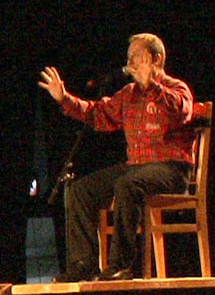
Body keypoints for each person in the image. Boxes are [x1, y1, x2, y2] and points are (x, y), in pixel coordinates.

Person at [39, 34, 195, 282]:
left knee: (128, 184)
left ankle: (120, 266)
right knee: (80, 189)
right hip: (137, 169)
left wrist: (152, 86)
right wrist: (64, 98)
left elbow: (180, 113)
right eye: (129, 57)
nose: (130, 62)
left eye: (137, 56)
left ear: (156, 59)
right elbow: (98, 114)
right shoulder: (128, 94)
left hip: (171, 169)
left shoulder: (176, 88)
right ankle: (84, 265)